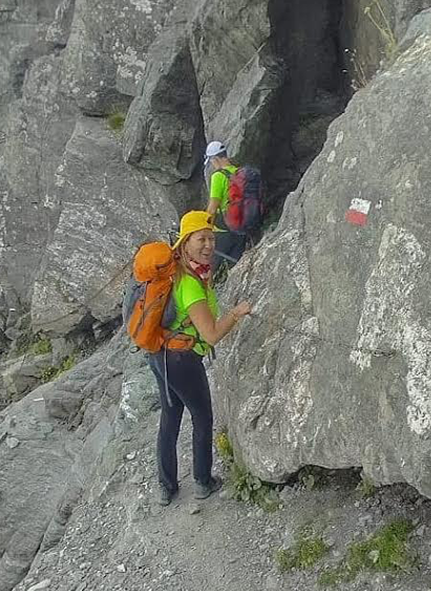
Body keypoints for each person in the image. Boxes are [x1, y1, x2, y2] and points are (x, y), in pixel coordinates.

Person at [149, 210, 253, 506]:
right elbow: (211, 335)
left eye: (211, 239)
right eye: (201, 239)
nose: (208, 245)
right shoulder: (191, 283)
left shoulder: (177, 270)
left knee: (170, 417)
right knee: (202, 416)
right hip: (182, 360)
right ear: (185, 242)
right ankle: (203, 481)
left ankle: (166, 486)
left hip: (158, 354)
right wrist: (236, 313)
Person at [203, 141, 246, 276]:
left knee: (207, 268)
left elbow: (212, 208)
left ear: (215, 159)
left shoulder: (218, 176)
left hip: (223, 231)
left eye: (211, 161)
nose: (212, 165)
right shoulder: (239, 172)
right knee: (236, 270)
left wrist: (204, 229)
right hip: (241, 228)